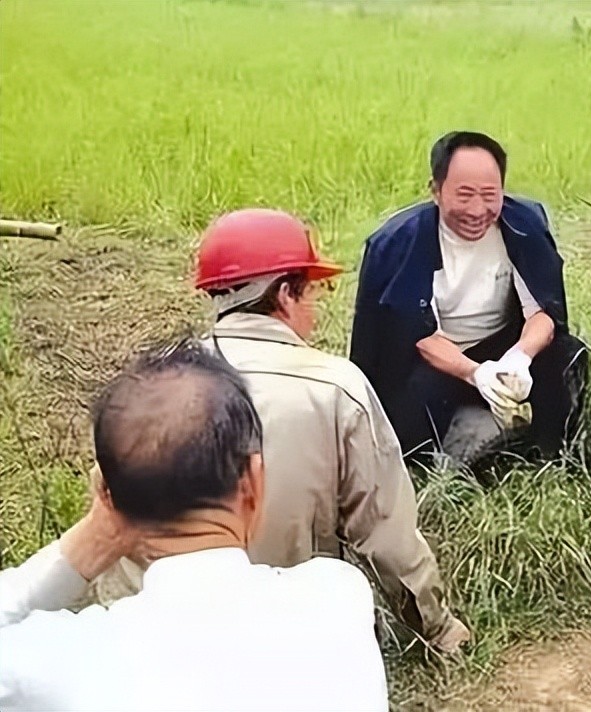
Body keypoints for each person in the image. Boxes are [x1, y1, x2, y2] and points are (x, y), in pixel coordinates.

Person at [94, 208, 469, 653]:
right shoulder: (335, 388)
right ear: (287, 294)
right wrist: (438, 630)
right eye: (313, 291)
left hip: (157, 640)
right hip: (287, 640)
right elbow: (386, 535)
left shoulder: (152, 386)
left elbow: (110, 531)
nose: (315, 311)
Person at [0, 340, 388, 711]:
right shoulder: (337, 597)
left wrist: (93, 538)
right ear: (253, 481)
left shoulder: (67, 665)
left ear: (110, 501)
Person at [350, 131, 588, 467]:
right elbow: (419, 336)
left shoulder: (524, 225)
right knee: (410, 418)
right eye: (464, 195)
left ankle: (548, 453)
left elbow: (543, 312)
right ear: (435, 191)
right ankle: (460, 445)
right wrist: (476, 374)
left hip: (501, 344)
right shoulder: (400, 242)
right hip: (435, 359)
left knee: (564, 358)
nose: (478, 211)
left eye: (490, 195)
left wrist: (519, 357)